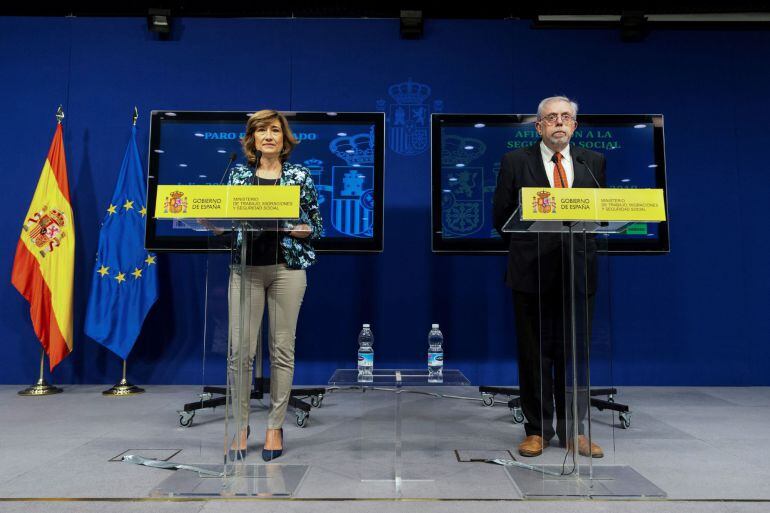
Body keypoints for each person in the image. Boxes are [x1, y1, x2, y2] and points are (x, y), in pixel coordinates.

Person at [492, 96, 605, 459]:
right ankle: (537, 430)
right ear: (539, 126)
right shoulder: (515, 162)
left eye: (566, 117)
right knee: (534, 354)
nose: (559, 123)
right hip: (531, 272)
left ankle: (575, 432)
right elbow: (501, 217)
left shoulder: (593, 162)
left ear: (574, 125)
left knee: (575, 356)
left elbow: (599, 215)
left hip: (578, 271)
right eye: (551, 118)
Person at [226, 109, 322, 462]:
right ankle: (239, 424)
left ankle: (274, 425)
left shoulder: (300, 174)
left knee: (282, 350)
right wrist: (214, 224)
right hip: (246, 268)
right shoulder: (237, 175)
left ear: (284, 139)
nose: (269, 136)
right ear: (252, 138)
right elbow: (227, 222)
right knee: (240, 352)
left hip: (287, 269)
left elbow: (316, 225)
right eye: (262, 130)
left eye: (275, 130)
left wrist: (295, 227)